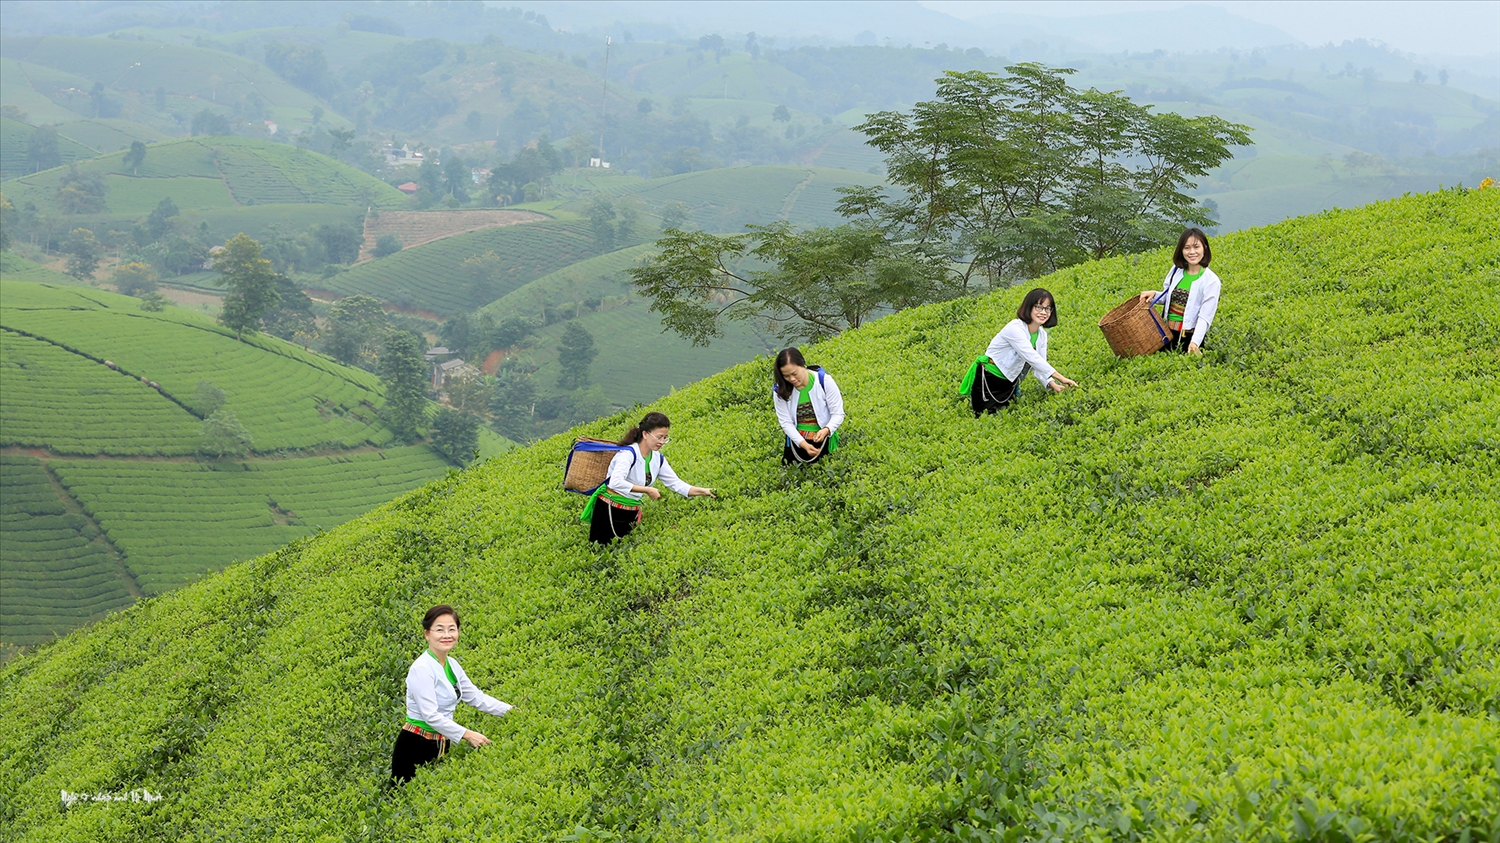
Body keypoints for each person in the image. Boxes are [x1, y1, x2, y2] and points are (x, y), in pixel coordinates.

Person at [390, 605, 512, 784]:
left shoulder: (452, 665)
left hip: (441, 742)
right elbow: (430, 715)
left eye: (451, 629)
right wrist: (468, 734)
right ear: (427, 634)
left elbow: (476, 697)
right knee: (404, 795)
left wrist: (511, 711)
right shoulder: (422, 669)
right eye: (439, 630)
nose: (447, 635)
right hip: (415, 744)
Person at [581, 411, 715, 544]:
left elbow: (675, 483)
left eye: (665, 438)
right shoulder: (627, 454)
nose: (662, 442)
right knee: (603, 552)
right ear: (645, 434)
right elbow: (615, 482)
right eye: (659, 437)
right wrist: (647, 490)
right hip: (609, 510)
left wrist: (704, 491)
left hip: (631, 511)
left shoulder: (657, 458)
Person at [961, 288, 1077, 416]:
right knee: (983, 417)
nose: (1043, 312)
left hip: (1009, 382)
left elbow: (1039, 364)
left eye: (1047, 308)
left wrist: (1052, 384)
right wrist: (1061, 378)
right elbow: (1031, 357)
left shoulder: (1042, 335)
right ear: (1029, 307)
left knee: (1006, 416)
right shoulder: (1015, 328)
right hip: (989, 379)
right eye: (1038, 307)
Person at [1138, 227, 1222, 355]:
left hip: (1188, 337)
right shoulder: (1176, 270)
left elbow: (1205, 317)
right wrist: (1155, 295)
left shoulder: (1211, 281)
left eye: (1196, 247)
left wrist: (1195, 343)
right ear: (1181, 250)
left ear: (1204, 248)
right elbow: (1170, 299)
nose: (1192, 252)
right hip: (1166, 333)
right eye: (1187, 247)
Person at [772, 347, 845, 465]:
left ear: (803, 364)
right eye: (786, 376)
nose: (792, 379)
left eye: (794, 373)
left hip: (823, 438)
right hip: (796, 442)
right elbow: (786, 422)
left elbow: (838, 413)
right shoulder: (780, 390)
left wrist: (826, 430)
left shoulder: (824, 381)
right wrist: (803, 444)